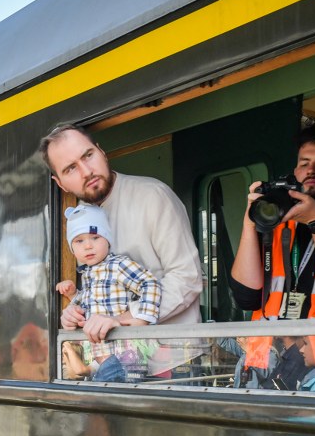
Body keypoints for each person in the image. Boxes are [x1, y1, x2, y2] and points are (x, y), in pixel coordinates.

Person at [40, 123, 202, 340]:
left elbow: (187, 277)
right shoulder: (75, 221)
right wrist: (75, 313)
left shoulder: (153, 196)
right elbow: (98, 293)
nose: (87, 171)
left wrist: (123, 319)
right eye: (71, 168)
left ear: (102, 152)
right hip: (113, 358)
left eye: (88, 155)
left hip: (176, 355)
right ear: (61, 184)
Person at [229, 120, 315, 320]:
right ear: (295, 172)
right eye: (304, 163)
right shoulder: (276, 219)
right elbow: (246, 298)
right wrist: (250, 221)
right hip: (269, 341)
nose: (311, 170)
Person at [55, 204, 160, 383]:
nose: (88, 245)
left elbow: (149, 283)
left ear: (108, 240)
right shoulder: (88, 274)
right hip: (102, 359)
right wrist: (73, 296)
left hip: (124, 355)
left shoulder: (118, 265)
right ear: (72, 248)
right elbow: (94, 304)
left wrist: (142, 318)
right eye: (79, 241)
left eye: (95, 237)